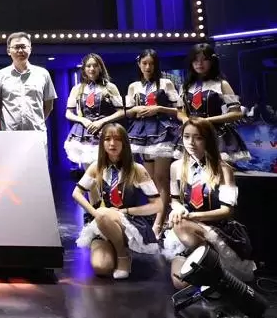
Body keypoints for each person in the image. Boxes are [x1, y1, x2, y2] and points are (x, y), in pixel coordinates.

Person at [163, 118, 256, 288]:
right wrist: (178, 209)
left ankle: (210, 268)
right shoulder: (176, 167)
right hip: (186, 230)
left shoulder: (224, 169)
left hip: (217, 229)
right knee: (180, 284)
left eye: (198, 137)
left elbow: (227, 211)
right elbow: (175, 201)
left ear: (208, 140)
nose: (191, 142)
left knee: (181, 225)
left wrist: (193, 216)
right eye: (186, 137)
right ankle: (201, 266)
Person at [73, 124, 161, 279]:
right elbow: (76, 193)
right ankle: (113, 247)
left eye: (117, 139)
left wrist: (125, 211)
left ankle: (122, 256)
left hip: (130, 221)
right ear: (102, 143)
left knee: (104, 214)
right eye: (107, 139)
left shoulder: (137, 169)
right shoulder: (96, 167)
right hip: (103, 221)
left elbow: (157, 205)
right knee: (101, 268)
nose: (112, 143)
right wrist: (96, 214)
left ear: (124, 143)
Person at [125, 49, 182, 236]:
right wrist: (136, 110)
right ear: (139, 64)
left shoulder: (165, 83)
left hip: (161, 131)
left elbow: (178, 110)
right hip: (142, 133)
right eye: (144, 63)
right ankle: (158, 217)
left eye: (151, 63)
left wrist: (158, 108)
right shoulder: (133, 86)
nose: (148, 67)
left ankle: (159, 222)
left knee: (161, 178)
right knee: (149, 180)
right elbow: (128, 112)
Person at [178, 43, 249, 162]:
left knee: (217, 170)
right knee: (193, 170)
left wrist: (206, 120)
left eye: (204, 59)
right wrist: (185, 119)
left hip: (216, 134)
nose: (199, 63)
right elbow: (180, 111)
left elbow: (236, 113)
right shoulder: (185, 86)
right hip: (191, 134)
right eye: (195, 60)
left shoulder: (222, 84)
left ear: (212, 61)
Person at [0, 32, 57, 154]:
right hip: (9, 135)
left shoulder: (43, 74)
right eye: (16, 47)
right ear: (8, 51)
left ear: (30, 49)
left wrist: (36, 121)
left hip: (36, 135)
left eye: (23, 47)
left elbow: (49, 105)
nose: (20, 50)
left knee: (37, 166)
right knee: (11, 166)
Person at [65, 53, 125, 165]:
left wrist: (101, 121)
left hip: (104, 130)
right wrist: (83, 120)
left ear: (100, 68)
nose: (92, 69)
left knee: (105, 167)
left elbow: (121, 112)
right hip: (84, 131)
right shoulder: (77, 88)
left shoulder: (110, 87)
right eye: (88, 66)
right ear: (84, 69)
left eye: (95, 65)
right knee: (88, 170)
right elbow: (68, 113)